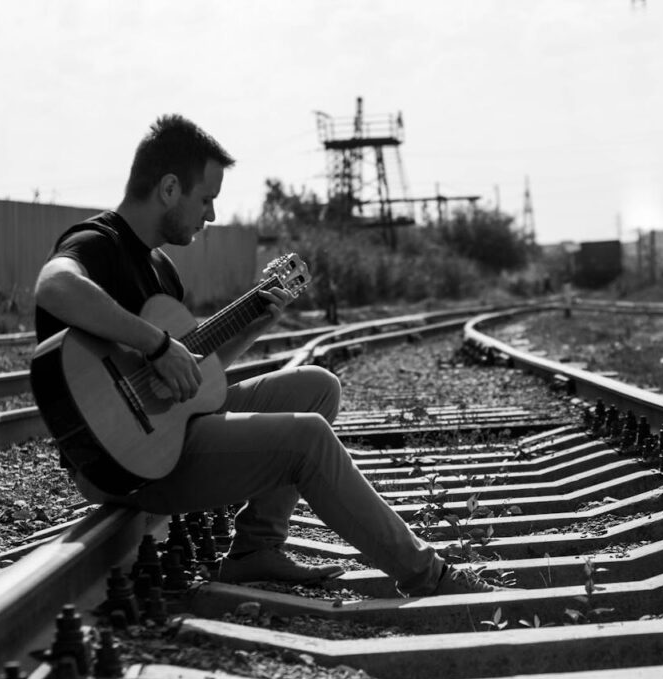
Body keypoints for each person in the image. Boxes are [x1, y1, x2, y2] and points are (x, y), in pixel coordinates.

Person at [33, 114, 496, 596]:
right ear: (169, 188)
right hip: (123, 464)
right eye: (206, 198)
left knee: (318, 386)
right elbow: (54, 286)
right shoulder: (96, 243)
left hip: (168, 433)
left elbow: (195, 379)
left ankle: (255, 549)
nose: (210, 215)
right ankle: (429, 576)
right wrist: (158, 343)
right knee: (306, 438)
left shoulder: (162, 270)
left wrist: (260, 320)